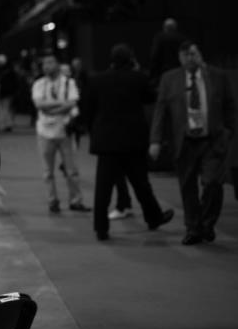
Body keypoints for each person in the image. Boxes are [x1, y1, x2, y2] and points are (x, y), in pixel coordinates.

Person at [80, 44, 174, 241]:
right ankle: (154, 217)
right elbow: (150, 98)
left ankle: (101, 228)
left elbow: (87, 109)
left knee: (103, 187)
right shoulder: (138, 78)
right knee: (141, 183)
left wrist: (94, 131)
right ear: (131, 59)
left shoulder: (97, 80)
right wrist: (138, 71)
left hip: (106, 142)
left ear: (111, 59)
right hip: (133, 140)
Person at [150, 40, 236, 245]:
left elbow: (229, 106)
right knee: (187, 187)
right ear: (180, 58)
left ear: (199, 55)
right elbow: (160, 111)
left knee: (213, 183)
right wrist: (155, 140)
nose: (190, 58)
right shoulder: (170, 79)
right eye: (185, 55)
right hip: (185, 141)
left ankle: (206, 222)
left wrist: (227, 132)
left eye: (193, 54)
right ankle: (193, 228)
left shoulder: (216, 76)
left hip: (212, 140)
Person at [32, 52, 89, 214]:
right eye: (44, 64)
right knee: (47, 172)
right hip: (44, 131)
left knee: (71, 170)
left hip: (64, 131)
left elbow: (72, 103)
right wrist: (60, 105)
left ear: (57, 64)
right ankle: (53, 201)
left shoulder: (68, 83)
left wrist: (52, 107)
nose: (47, 66)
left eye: (50, 62)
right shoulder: (39, 84)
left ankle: (76, 200)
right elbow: (40, 105)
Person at [149, 18, 186, 83]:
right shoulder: (181, 38)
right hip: (178, 69)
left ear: (164, 27)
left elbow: (154, 55)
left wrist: (152, 73)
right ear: (175, 27)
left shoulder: (159, 38)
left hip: (162, 71)